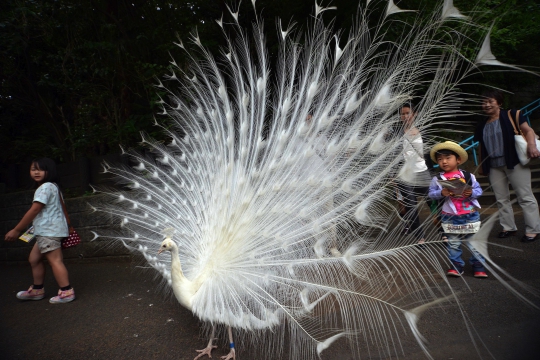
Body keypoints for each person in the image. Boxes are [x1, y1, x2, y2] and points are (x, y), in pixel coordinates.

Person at [4, 158, 75, 303]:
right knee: (34, 259)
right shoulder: (54, 186)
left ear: (49, 171)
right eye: (33, 169)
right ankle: (37, 290)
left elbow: (35, 209)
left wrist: (17, 230)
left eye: (40, 169)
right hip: (46, 231)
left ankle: (67, 291)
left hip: (49, 231)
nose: (36, 172)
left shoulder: (45, 187)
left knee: (55, 261)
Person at [474, 90, 540, 242]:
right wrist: (482, 165)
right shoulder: (482, 124)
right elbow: (481, 146)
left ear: (499, 102)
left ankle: (533, 229)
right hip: (494, 165)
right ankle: (508, 227)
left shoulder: (512, 114)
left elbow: (528, 130)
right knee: (501, 198)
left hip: (514, 161)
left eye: (490, 101)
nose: (486, 104)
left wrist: (531, 145)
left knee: (525, 196)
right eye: (484, 102)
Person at [428, 141, 486, 278]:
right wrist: (441, 193)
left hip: (470, 214)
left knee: (474, 243)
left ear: (458, 160)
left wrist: (471, 193)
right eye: (440, 159)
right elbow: (430, 194)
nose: (444, 162)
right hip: (449, 216)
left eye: (448, 158)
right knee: (453, 244)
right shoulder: (437, 179)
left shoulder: (468, 176)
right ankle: (456, 266)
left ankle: (478, 265)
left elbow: (479, 190)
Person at [396, 103, 432, 244]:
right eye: (402, 114)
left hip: (422, 171)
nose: (405, 116)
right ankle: (420, 237)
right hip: (405, 174)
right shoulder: (396, 134)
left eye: (407, 113)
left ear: (414, 114)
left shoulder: (423, 130)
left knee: (433, 201)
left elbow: (429, 153)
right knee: (410, 205)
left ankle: (444, 232)